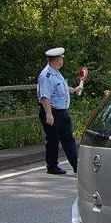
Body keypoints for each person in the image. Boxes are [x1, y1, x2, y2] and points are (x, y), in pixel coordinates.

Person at [37, 47, 82, 175]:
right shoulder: (46, 75)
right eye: (61, 59)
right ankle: (52, 166)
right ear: (55, 60)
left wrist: (73, 90)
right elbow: (44, 96)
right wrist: (49, 114)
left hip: (62, 112)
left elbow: (60, 87)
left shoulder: (56, 72)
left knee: (68, 139)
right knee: (53, 140)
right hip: (52, 111)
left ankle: (76, 166)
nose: (62, 61)